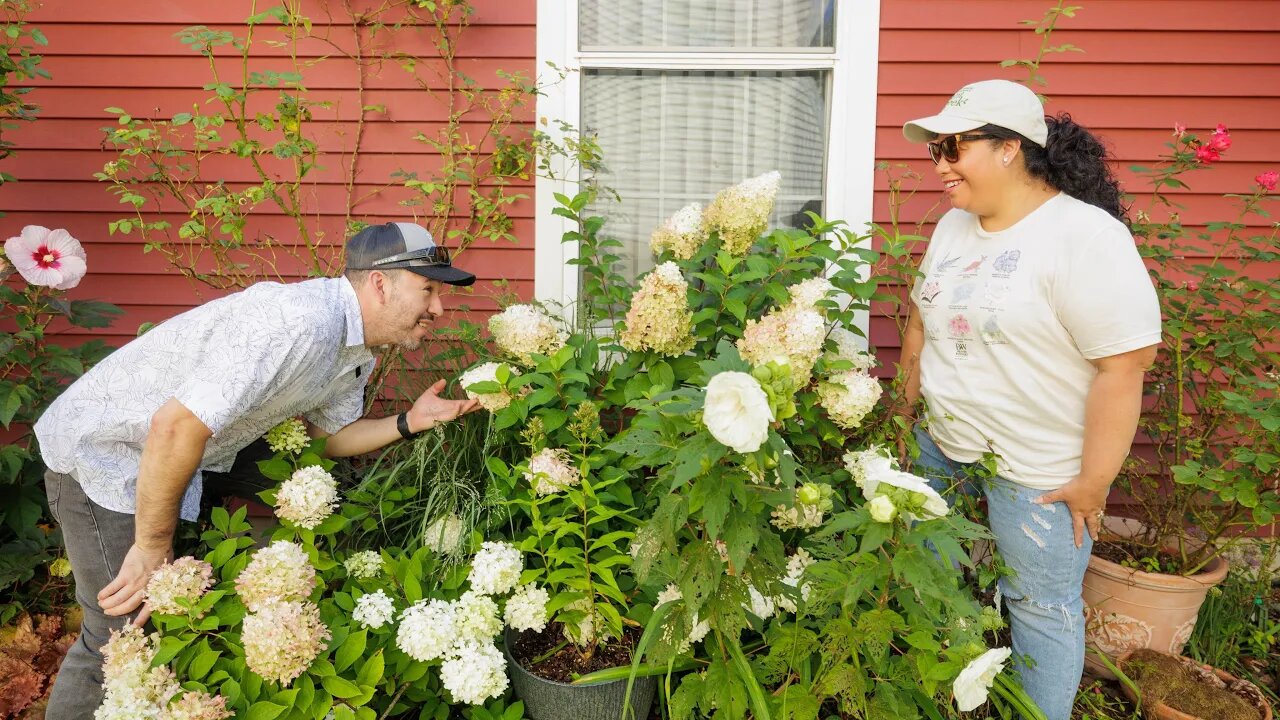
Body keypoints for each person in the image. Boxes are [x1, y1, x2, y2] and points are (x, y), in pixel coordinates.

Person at [34, 221, 483, 719]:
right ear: (381, 283)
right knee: (119, 636)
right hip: (107, 452)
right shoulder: (296, 324)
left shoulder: (357, 350)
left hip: (182, 454)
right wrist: (151, 545)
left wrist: (409, 421)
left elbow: (327, 439)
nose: (438, 309)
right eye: (429, 290)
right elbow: (174, 427)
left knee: (170, 618)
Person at [896, 79, 1161, 719]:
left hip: (1040, 474)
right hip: (941, 446)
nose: (940, 165)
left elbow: (1124, 367)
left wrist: (1094, 483)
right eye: (935, 150)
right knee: (930, 582)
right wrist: (902, 414)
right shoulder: (954, 226)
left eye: (953, 147)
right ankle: (944, 697)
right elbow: (921, 318)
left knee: (1039, 609)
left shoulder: (1085, 238)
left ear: (1011, 148)